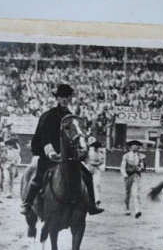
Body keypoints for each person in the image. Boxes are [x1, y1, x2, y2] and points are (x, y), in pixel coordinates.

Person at [20, 84, 104, 216]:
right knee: (38, 177)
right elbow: (43, 137)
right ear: (57, 99)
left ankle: (92, 205)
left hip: (68, 157)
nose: (65, 99)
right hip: (49, 155)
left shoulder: (72, 117)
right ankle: (27, 204)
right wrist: (51, 152)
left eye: (67, 97)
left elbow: (76, 137)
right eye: (62, 97)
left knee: (87, 175)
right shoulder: (48, 115)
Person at [120, 140, 146, 218]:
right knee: (127, 193)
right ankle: (127, 209)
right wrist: (124, 175)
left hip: (136, 175)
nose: (136, 146)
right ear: (130, 147)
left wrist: (140, 168)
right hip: (128, 176)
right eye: (134, 145)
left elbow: (142, 166)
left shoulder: (141, 156)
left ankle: (137, 211)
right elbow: (122, 167)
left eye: (137, 145)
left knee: (136, 193)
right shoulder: (126, 156)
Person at [84, 137, 104, 207]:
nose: (96, 148)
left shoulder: (100, 152)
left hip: (96, 169)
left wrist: (97, 164)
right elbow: (85, 160)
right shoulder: (88, 151)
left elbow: (101, 161)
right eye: (95, 147)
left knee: (97, 184)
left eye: (97, 147)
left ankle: (97, 200)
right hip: (88, 168)